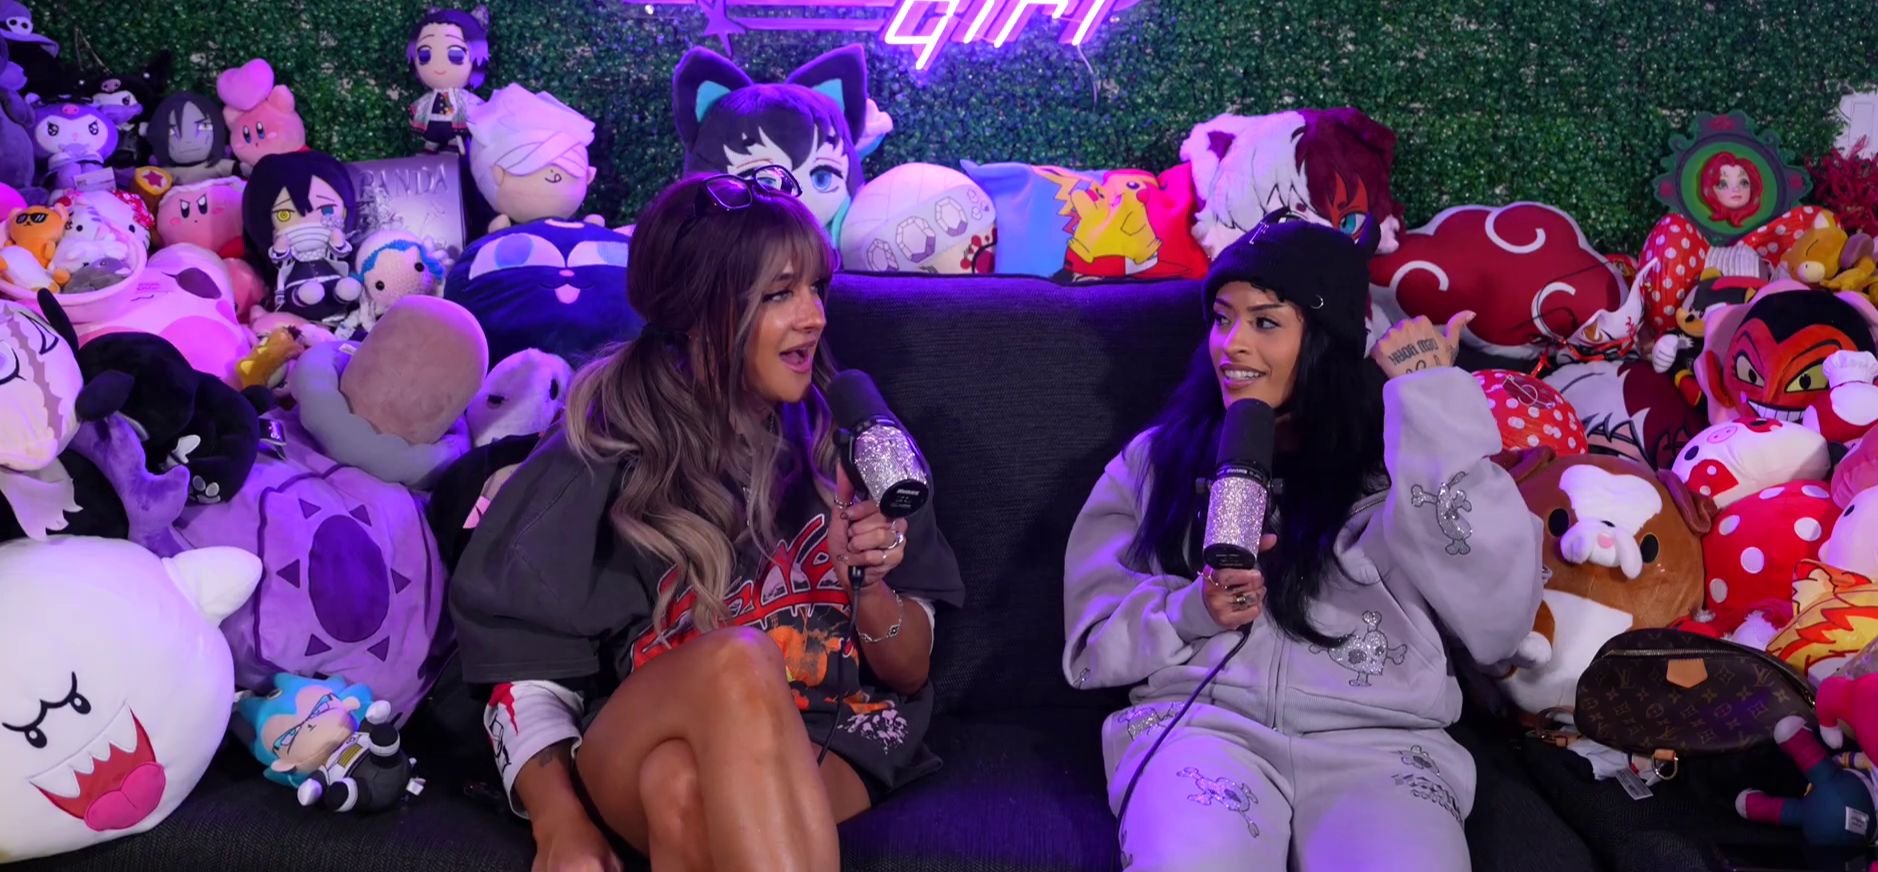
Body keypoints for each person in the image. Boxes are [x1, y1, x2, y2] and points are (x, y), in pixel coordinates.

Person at [451, 165, 964, 872]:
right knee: (737, 660)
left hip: (830, 733)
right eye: (779, 294)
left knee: (679, 787)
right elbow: (519, 668)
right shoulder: (600, 452)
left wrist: (869, 581)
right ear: (697, 312)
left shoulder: (855, 439)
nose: (814, 316)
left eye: (816, 287)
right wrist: (558, 823)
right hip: (639, 729)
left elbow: (908, 675)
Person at [1061, 211, 1544, 872]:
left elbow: (1499, 623)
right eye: (1222, 318)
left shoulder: (1399, 456)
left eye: (1265, 322)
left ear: (1324, 338)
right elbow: (1091, 646)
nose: (1231, 345)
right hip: (1202, 732)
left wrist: (1430, 403)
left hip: (1381, 745)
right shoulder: (1155, 461)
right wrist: (1191, 611)